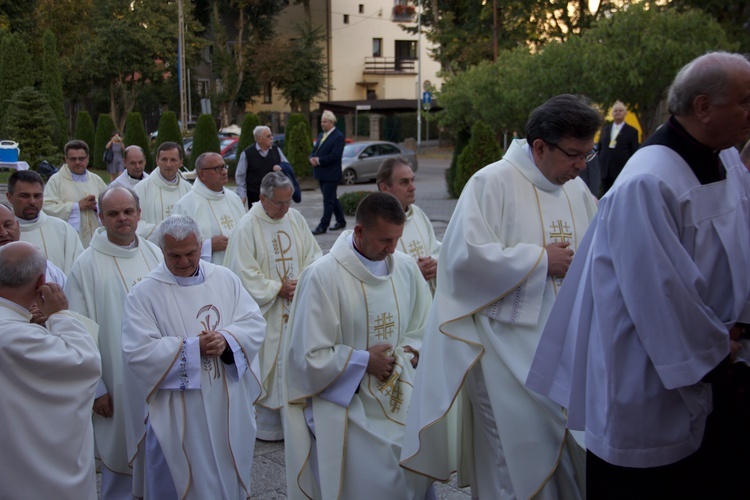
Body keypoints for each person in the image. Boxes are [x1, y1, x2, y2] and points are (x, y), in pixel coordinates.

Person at [526, 52, 750, 498]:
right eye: (745, 101)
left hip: (725, 353)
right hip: (658, 371)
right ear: (703, 108)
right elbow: (660, 293)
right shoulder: (648, 182)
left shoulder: (724, 159)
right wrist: (716, 352)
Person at [401, 94, 601, 499]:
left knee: (571, 454)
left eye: (588, 154)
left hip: (569, 351)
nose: (581, 165)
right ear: (540, 147)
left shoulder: (577, 192)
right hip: (504, 356)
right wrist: (539, 261)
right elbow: (461, 262)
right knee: (513, 460)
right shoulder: (491, 182)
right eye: (574, 155)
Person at [284, 192, 433, 499]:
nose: (392, 249)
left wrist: (411, 350)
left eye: (397, 239)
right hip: (346, 402)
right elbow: (306, 357)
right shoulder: (323, 276)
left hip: (400, 389)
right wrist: (363, 361)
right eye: (384, 241)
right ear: (360, 232)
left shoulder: (404, 267)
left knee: (421, 457)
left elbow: (423, 324)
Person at [121, 214, 266, 499]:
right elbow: (138, 351)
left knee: (227, 470)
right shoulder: (144, 294)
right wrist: (191, 348)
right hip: (179, 410)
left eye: (190, 253)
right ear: (162, 251)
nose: (184, 261)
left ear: (200, 246)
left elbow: (254, 323)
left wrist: (226, 339)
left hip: (227, 401)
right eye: (174, 255)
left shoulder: (224, 278)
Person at [65, 186, 163, 499]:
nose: (122, 219)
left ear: (139, 213)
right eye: (114, 213)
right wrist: (97, 390)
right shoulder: (86, 265)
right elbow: (77, 331)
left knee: (160, 453)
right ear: (101, 217)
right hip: (115, 382)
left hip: (160, 376)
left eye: (128, 211)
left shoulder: (154, 252)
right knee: (120, 458)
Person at [0, 241, 101, 500]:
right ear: (41, 281)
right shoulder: (18, 335)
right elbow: (84, 362)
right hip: (36, 476)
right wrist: (60, 315)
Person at [225, 172, 322, 441]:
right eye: (279, 203)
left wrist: (300, 283)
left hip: (296, 306)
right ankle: (268, 427)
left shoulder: (295, 219)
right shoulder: (247, 226)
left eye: (289, 202)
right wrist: (276, 288)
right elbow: (240, 273)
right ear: (262, 198)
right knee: (268, 366)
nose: (285, 209)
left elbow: (314, 257)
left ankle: (299, 419)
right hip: (265, 314)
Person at [377, 157, 440, 292]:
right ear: (384, 188)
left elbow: (435, 248)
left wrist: (433, 263)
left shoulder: (418, 214)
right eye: (404, 182)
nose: (413, 187)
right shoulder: (375, 223)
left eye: (412, 180)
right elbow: (375, 270)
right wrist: (414, 273)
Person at [173, 152, 245, 266]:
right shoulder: (185, 205)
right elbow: (176, 247)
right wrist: (208, 246)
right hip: (207, 275)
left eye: (224, 166)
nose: (225, 172)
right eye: (217, 168)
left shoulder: (234, 198)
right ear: (202, 174)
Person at [7, 169, 83, 274]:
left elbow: (79, 270)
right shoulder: (4, 233)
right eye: (25, 196)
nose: (32, 201)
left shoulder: (63, 230)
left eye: (37, 196)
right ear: (9, 197)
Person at [43, 139, 108, 248]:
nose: (77, 162)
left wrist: (96, 206)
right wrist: (77, 206)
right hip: (67, 240)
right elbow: (47, 207)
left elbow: (109, 203)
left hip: (96, 238)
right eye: (73, 159)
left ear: (87, 158)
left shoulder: (96, 180)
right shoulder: (56, 180)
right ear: (66, 159)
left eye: (81, 158)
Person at [134, 141, 192, 240]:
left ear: (181, 162)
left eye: (173, 160)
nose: (168, 165)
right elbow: (134, 222)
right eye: (164, 159)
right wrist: (164, 231)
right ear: (157, 161)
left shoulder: (189, 189)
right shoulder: (141, 189)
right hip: (153, 250)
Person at [309, 110, 346, 235]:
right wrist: (312, 158)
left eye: (324, 122)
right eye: (321, 121)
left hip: (331, 174)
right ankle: (341, 220)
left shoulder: (338, 136)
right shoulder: (321, 135)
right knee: (331, 198)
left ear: (331, 122)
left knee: (328, 200)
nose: (322, 124)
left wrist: (319, 161)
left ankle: (323, 225)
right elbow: (315, 150)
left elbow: (335, 155)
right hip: (321, 173)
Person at [236, 125, 293, 205]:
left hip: (274, 195)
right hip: (255, 196)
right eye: (268, 136)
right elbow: (240, 177)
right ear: (259, 139)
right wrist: (242, 195)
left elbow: (288, 166)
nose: (272, 138)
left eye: (271, 135)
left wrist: (281, 167)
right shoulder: (247, 153)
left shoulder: (276, 150)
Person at [598, 100, 639, 194]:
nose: (618, 113)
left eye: (620, 111)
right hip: (606, 170)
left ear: (625, 113)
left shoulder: (632, 131)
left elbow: (634, 151)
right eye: (615, 111)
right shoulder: (605, 130)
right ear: (612, 113)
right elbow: (600, 148)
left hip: (621, 171)